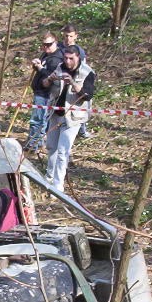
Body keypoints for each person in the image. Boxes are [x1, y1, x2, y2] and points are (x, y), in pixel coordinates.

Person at [42, 46, 96, 192]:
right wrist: (50, 79)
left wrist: (72, 83)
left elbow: (87, 95)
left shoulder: (87, 72)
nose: (67, 61)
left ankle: (58, 187)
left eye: (71, 58)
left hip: (73, 118)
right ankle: (48, 179)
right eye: (65, 58)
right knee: (51, 147)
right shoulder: (60, 67)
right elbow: (45, 85)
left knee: (62, 152)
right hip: (56, 114)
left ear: (78, 57)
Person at [25, 31, 63, 151]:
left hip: (46, 94)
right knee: (39, 120)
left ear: (55, 42)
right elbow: (41, 71)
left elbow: (52, 76)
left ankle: (33, 145)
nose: (45, 47)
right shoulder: (46, 55)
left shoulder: (57, 59)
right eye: (43, 45)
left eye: (49, 44)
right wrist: (36, 65)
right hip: (39, 91)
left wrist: (41, 68)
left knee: (38, 121)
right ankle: (37, 143)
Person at [58, 23, 92, 139]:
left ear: (76, 36)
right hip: (59, 83)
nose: (68, 39)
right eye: (66, 36)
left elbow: (83, 69)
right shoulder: (58, 48)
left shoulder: (80, 52)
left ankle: (82, 129)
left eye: (71, 36)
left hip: (75, 83)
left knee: (79, 105)